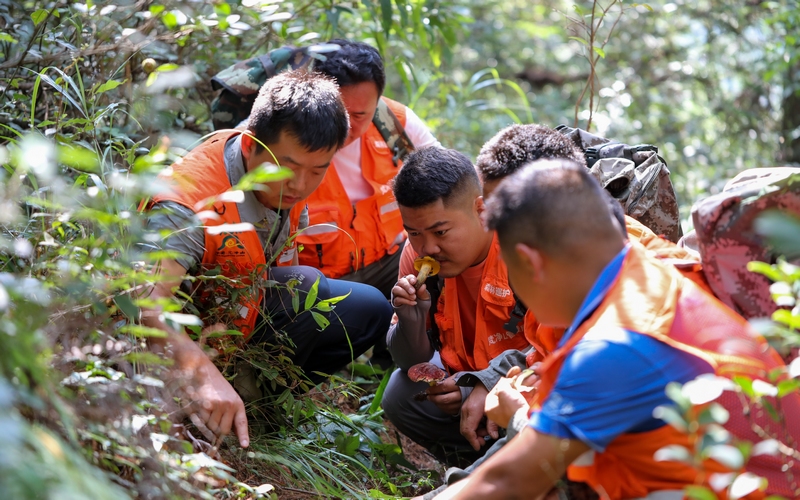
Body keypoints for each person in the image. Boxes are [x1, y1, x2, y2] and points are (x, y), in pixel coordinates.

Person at [432, 159, 800, 499]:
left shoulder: (618, 344)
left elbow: (505, 482)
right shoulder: (647, 273)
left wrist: (517, 416)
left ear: (530, 262)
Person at [140, 71, 393, 449]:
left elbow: (278, 272)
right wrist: (201, 373)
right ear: (249, 145)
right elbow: (144, 307)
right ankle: (201, 409)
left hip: (233, 317)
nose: (301, 185)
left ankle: (252, 404)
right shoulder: (186, 202)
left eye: (317, 170)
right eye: (288, 168)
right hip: (170, 343)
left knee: (363, 306)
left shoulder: (289, 183)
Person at [382, 147, 533, 467]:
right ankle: (473, 462)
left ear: (480, 210)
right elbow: (410, 361)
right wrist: (411, 319)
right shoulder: (416, 256)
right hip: (463, 382)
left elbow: (556, 349)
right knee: (400, 394)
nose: (428, 248)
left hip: (526, 386)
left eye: (441, 232)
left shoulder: (519, 249)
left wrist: (489, 382)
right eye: (413, 232)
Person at [288, 39, 440, 299]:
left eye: (360, 115)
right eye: (339, 112)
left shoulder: (394, 122)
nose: (347, 127)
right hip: (322, 280)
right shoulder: (283, 132)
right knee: (369, 310)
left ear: (377, 102)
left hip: (392, 260)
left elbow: (452, 178)